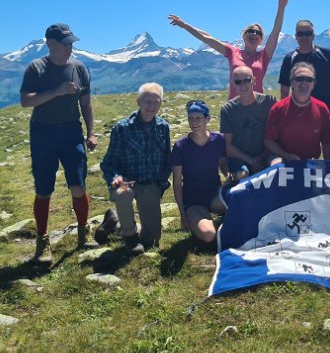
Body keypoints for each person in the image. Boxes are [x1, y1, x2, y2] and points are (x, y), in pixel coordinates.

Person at [20, 23, 98, 264]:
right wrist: (56, 91)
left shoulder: (79, 68)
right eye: (66, 44)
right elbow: (25, 101)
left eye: (71, 43)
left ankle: (83, 233)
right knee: (44, 189)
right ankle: (42, 241)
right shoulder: (37, 68)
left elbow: (86, 103)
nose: (70, 48)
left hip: (71, 132)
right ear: (50, 45)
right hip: (43, 133)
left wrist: (91, 132)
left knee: (78, 184)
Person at [168, 0, 288, 99]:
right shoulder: (232, 52)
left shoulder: (264, 56)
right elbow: (206, 37)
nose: (254, 34)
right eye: (250, 31)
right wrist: (185, 25)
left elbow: (276, 31)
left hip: (257, 107)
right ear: (244, 35)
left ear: (261, 40)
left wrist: (281, 7)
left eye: (258, 33)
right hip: (234, 107)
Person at [99, 83, 171, 255]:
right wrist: (115, 178)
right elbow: (108, 163)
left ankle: (114, 221)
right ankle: (130, 239)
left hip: (150, 184)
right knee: (123, 194)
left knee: (151, 240)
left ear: (160, 103)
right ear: (139, 102)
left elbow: (167, 159)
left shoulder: (163, 127)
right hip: (127, 182)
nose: (151, 106)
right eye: (147, 101)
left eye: (156, 102)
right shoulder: (122, 128)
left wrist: (161, 184)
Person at [171, 100, 229, 244]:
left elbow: (222, 162)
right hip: (193, 201)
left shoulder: (218, 140)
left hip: (215, 196)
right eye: (191, 118)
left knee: (243, 208)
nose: (194, 122)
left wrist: (228, 175)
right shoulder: (180, 146)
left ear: (207, 119)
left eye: (198, 118)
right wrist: (182, 214)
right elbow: (177, 183)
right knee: (209, 235)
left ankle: (215, 221)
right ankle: (205, 222)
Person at [278, 20, 330, 125]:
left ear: (313, 36)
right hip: (306, 110)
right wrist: (284, 112)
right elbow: (284, 89)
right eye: (300, 34)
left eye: (307, 34)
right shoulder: (289, 59)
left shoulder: (327, 54)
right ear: (296, 37)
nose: (304, 37)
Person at [264, 62, 330, 162]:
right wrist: (286, 156)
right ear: (292, 83)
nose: (304, 83)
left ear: (313, 84)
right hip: (283, 159)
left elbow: (326, 142)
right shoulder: (278, 108)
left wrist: (328, 167)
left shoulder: (322, 108)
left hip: (311, 162)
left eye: (309, 79)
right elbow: (269, 141)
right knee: (275, 165)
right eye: (299, 79)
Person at [220, 66, 276, 181]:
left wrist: (261, 158)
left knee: (276, 168)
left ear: (254, 81)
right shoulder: (228, 109)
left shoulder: (269, 102)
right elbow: (229, 146)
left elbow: (278, 133)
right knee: (242, 175)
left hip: (266, 154)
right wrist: (252, 161)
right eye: (238, 82)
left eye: (247, 80)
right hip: (239, 158)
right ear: (233, 84)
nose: (243, 85)